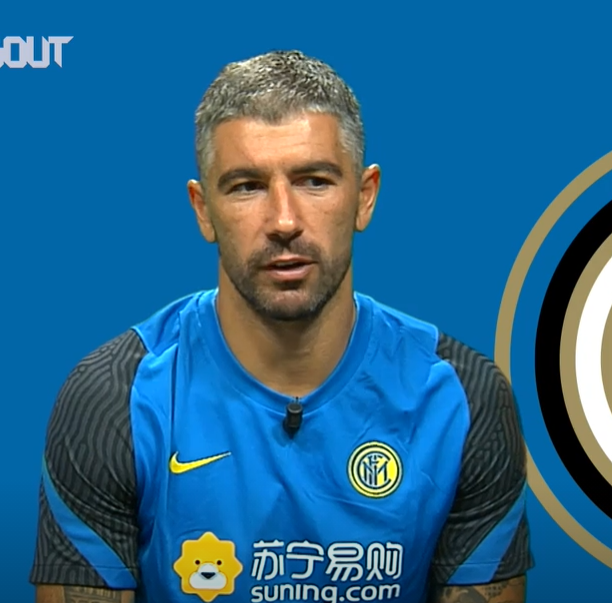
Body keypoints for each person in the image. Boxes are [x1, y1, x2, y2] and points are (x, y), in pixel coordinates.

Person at [29, 50, 532, 603]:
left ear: (364, 197)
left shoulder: (461, 397)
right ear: (203, 209)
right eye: (246, 186)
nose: (284, 221)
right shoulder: (114, 400)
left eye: (314, 181)